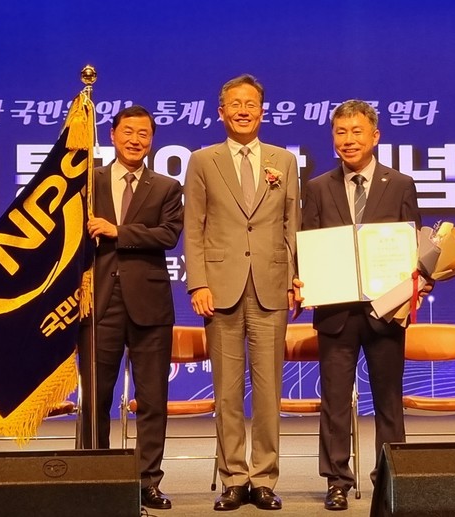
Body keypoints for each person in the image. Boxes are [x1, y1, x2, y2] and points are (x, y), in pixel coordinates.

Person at [298, 100, 427, 511]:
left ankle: (389, 479)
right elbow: (307, 245)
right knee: (334, 402)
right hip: (335, 312)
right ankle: (337, 480)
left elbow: (412, 244)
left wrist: (418, 281)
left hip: (386, 311)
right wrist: (303, 279)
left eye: (356, 131)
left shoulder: (400, 184)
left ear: (375, 136)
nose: (348, 139)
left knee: (388, 401)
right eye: (340, 132)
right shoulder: (317, 187)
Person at [183, 74, 300, 511]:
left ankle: (265, 478)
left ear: (262, 111)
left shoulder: (284, 160)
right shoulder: (202, 161)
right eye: (235, 104)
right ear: (221, 112)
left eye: (251, 104)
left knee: (269, 392)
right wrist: (198, 282)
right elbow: (194, 227)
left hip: (271, 287)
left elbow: (291, 225)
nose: (243, 110)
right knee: (227, 391)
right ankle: (233, 477)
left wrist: (294, 277)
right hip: (220, 289)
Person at [80, 105, 183, 510]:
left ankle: (147, 481)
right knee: (96, 398)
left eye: (143, 133)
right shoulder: (89, 181)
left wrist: (118, 231)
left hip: (150, 306)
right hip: (99, 303)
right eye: (128, 132)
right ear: (112, 135)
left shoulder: (166, 186)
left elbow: (168, 234)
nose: (135, 140)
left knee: (152, 400)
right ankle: (96, 477)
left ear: (151, 140)